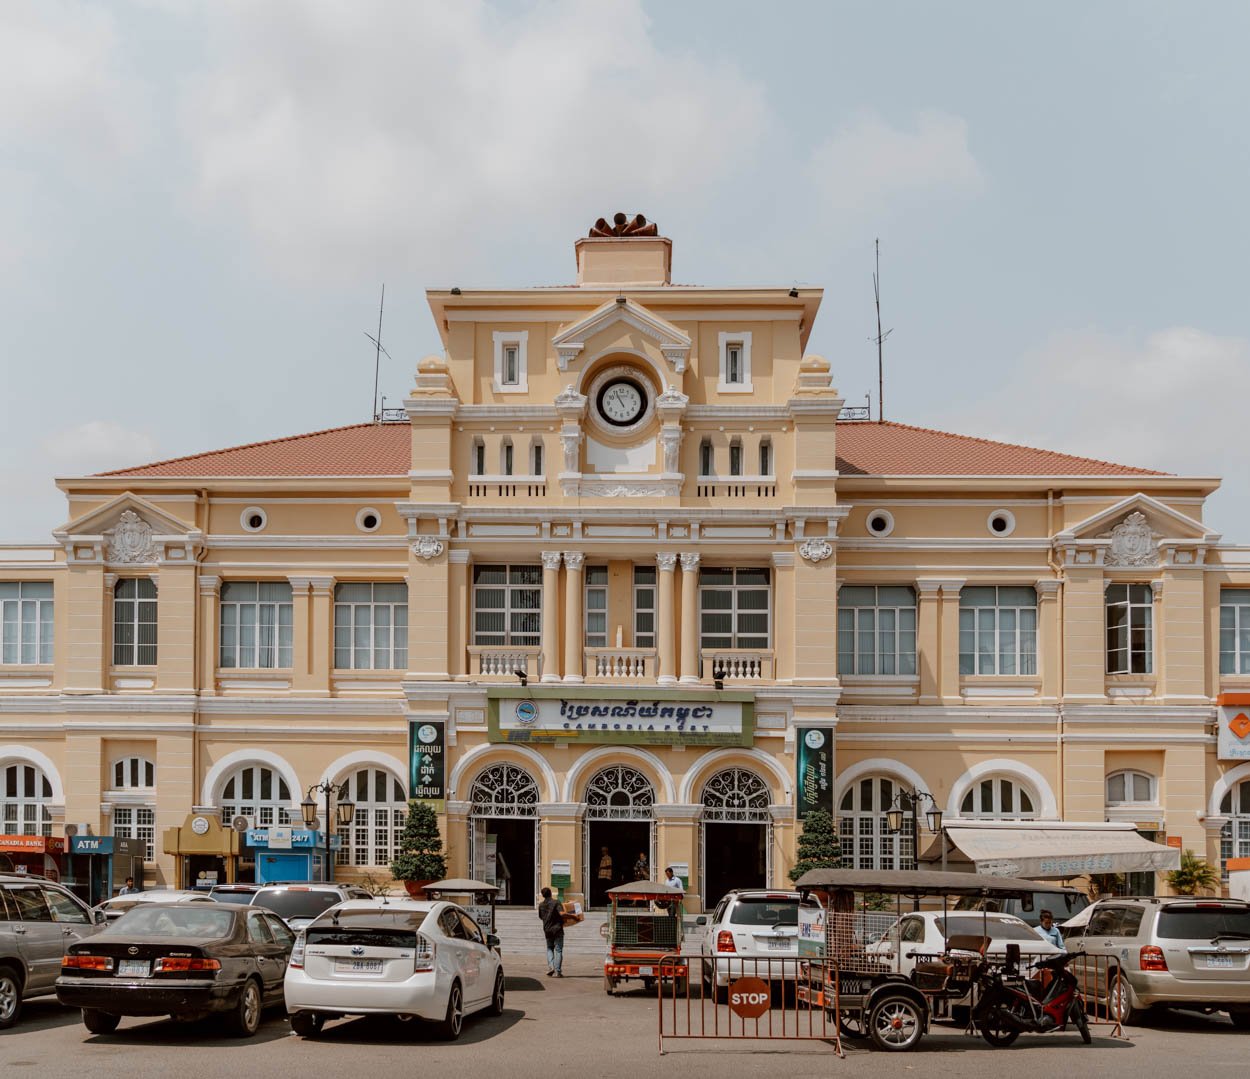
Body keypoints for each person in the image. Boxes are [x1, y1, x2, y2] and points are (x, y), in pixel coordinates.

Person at [538, 886, 565, 978]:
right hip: (557, 929)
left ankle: (551, 967)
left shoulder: (541, 905)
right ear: (550, 893)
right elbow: (562, 914)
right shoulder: (556, 902)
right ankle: (557, 971)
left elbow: (541, 917)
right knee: (558, 949)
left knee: (549, 948)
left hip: (547, 929)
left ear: (543, 895)